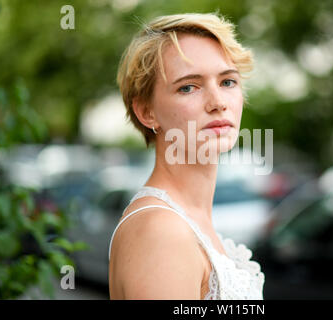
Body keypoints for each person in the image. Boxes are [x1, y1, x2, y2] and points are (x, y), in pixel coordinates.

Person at [108, 12, 265, 300]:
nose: (218, 103)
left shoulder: (187, 222)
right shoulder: (161, 234)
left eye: (228, 82)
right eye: (188, 87)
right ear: (146, 112)